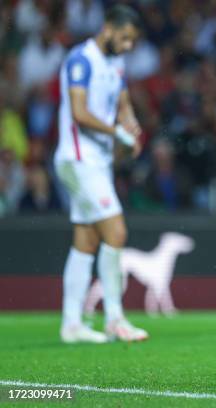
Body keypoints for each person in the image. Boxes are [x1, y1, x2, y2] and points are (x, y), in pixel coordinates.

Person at [54, 5, 148, 343]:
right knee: (116, 231)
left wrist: (130, 123)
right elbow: (79, 113)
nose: (127, 46)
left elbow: (122, 103)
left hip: (97, 162)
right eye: (124, 38)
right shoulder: (80, 60)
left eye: (132, 41)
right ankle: (114, 318)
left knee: (87, 239)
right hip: (78, 159)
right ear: (108, 28)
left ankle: (71, 324)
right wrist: (117, 133)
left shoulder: (115, 63)